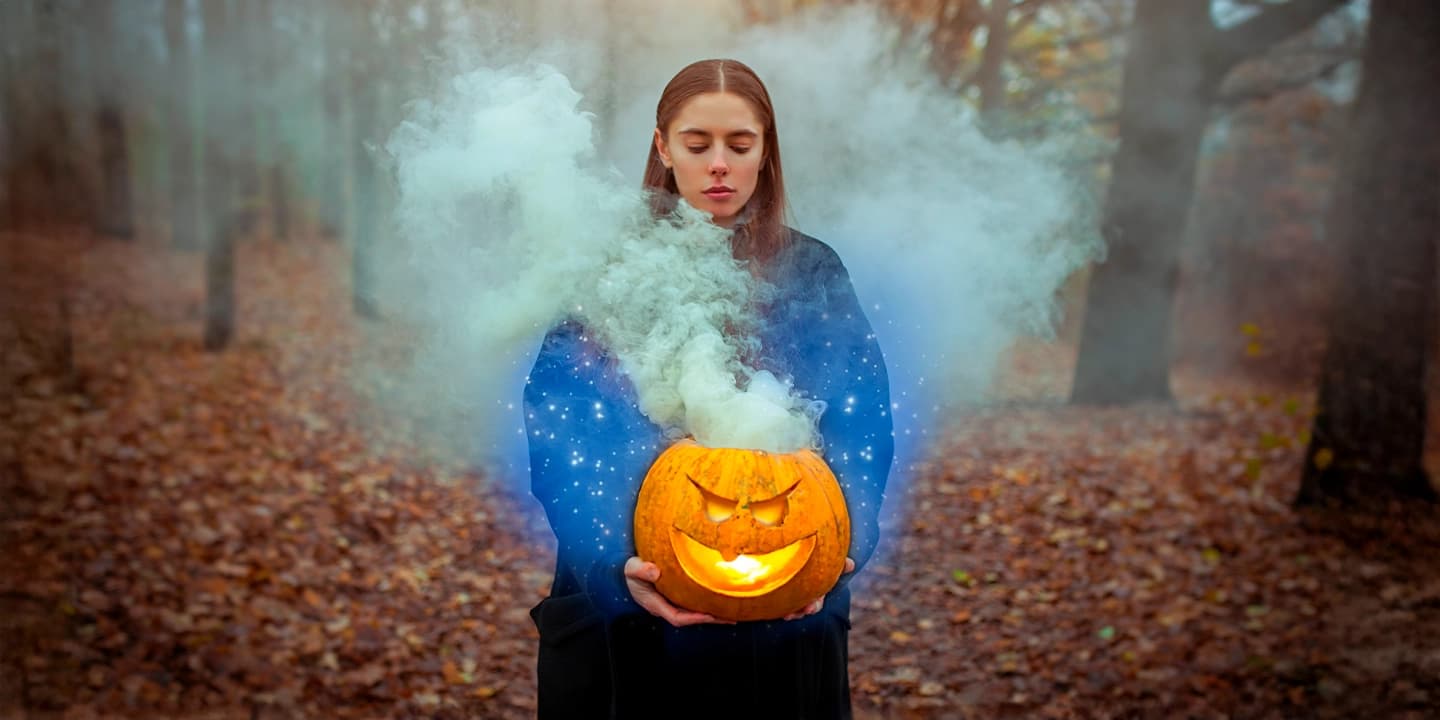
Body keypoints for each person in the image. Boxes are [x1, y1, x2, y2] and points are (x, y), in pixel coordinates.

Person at [524, 58, 894, 719]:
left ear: (765, 151)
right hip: (625, 635)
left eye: (740, 144)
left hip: (785, 628)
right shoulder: (607, 271)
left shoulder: (812, 270)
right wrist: (613, 565)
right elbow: (559, 427)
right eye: (697, 145)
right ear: (664, 147)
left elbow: (862, 420)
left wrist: (844, 545)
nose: (718, 164)